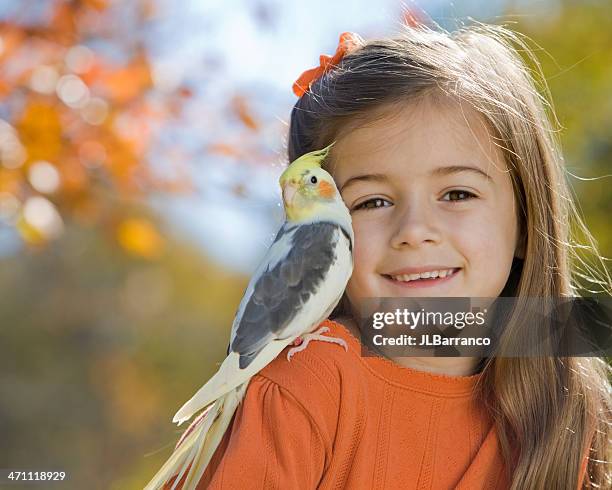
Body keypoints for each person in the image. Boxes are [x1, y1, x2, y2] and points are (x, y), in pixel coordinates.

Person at [167, 23, 611, 489]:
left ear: (525, 218)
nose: (415, 231)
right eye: (373, 202)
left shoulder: (570, 415)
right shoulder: (302, 390)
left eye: (457, 193)